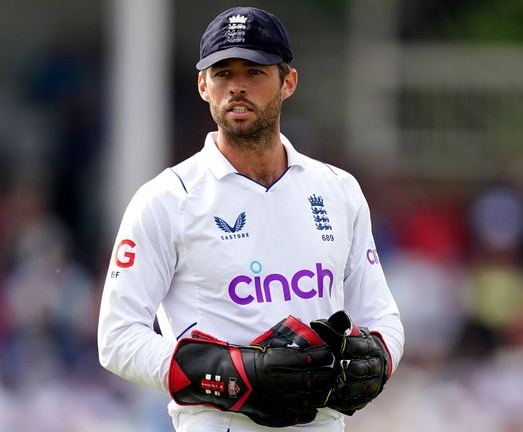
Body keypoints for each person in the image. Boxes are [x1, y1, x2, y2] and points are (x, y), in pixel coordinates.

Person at [98, 6, 404, 431]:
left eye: (254, 71)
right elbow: (116, 339)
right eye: (223, 73)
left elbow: (381, 316)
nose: (237, 87)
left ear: (288, 82)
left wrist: (378, 359)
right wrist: (232, 374)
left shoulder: (338, 189)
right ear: (203, 85)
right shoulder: (166, 199)